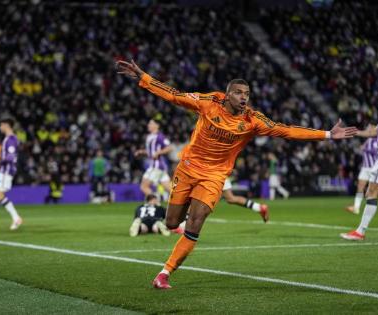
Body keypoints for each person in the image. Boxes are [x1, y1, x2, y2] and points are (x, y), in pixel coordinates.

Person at [116, 59, 357, 289]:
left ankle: (164, 274)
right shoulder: (209, 102)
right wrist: (143, 77)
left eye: (247, 93)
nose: (244, 97)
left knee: (195, 222)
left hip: (215, 176)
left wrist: (326, 134)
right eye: (239, 92)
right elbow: (174, 95)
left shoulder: (252, 120)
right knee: (171, 223)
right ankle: (187, 210)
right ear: (227, 93)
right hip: (188, 168)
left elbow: (285, 130)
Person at [341, 83, 378, 241]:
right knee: (370, 192)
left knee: (372, 191)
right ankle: (360, 231)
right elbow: (376, 132)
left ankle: (360, 232)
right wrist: (358, 132)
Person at [134, 119, 173, 200]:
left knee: (144, 187)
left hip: (157, 166)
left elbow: (169, 148)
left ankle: (155, 203)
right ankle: (186, 205)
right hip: (159, 167)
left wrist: (159, 153)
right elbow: (151, 152)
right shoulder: (149, 137)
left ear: (157, 126)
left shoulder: (160, 136)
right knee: (171, 190)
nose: (148, 125)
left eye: (151, 123)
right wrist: (141, 152)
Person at [0, 117, 23, 230]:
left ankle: (16, 217)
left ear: (6, 125)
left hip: (6, 170)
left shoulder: (10, 139)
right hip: (4, 170)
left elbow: (10, 157)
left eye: (1, 125)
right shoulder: (9, 138)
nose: (0, 128)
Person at [345, 131, 378, 214]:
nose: (368, 128)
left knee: (372, 191)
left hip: (373, 168)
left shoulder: (377, 140)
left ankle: (369, 210)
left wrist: (365, 149)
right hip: (365, 167)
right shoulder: (368, 140)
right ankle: (356, 207)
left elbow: (376, 152)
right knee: (360, 187)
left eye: (370, 127)